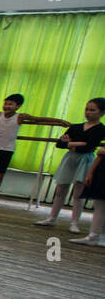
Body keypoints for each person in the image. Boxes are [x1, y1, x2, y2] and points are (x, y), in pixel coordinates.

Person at [0, 95, 68, 207]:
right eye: (5, 103)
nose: (6, 106)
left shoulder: (20, 117)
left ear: (18, 106)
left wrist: (60, 121)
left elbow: (39, 119)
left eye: (10, 104)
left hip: (7, 150)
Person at [34, 97, 104, 234]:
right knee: (61, 189)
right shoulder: (76, 126)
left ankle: (74, 222)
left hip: (85, 160)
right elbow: (60, 144)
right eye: (86, 109)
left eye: (92, 110)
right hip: (70, 159)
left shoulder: (101, 129)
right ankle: (52, 217)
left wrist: (70, 144)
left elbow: (89, 146)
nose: (88, 112)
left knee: (78, 192)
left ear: (101, 112)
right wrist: (76, 144)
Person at [69, 142, 105, 247]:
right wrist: (90, 173)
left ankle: (94, 236)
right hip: (102, 171)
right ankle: (96, 235)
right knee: (99, 205)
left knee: (101, 206)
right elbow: (99, 155)